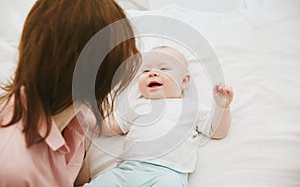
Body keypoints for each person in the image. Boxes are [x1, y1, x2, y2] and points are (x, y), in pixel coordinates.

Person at [0, 0, 141, 186]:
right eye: (122, 51)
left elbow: (81, 181)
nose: (131, 58)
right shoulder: (12, 167)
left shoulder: (76, 115)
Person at [84, 46, 234, 186]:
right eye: (145, 70)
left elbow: (217, 131)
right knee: (105, 181)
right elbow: (109, 126)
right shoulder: (136, 105)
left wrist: (222, 107)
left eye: (164, 68)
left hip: (168, 173)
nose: (152, 73)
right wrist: (86, 116)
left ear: (184, 81)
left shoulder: (191, 107)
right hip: (128, 169)